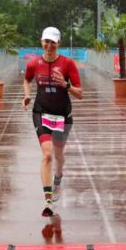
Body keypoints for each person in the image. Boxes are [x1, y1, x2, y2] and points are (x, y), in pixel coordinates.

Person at [22, 27, 83, 217]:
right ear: (41, 41)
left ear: (59, 44)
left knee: (58, 154)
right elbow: (27, 80)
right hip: (41, 112)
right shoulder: (33, 64)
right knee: (47, 155)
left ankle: (59, 176)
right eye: (46, 41)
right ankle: (48, 200)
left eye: (53, 42)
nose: (49, 46)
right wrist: (26, 95)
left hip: (63, 115)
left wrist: (65, 85)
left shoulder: (68, 64)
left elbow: (80, 94)